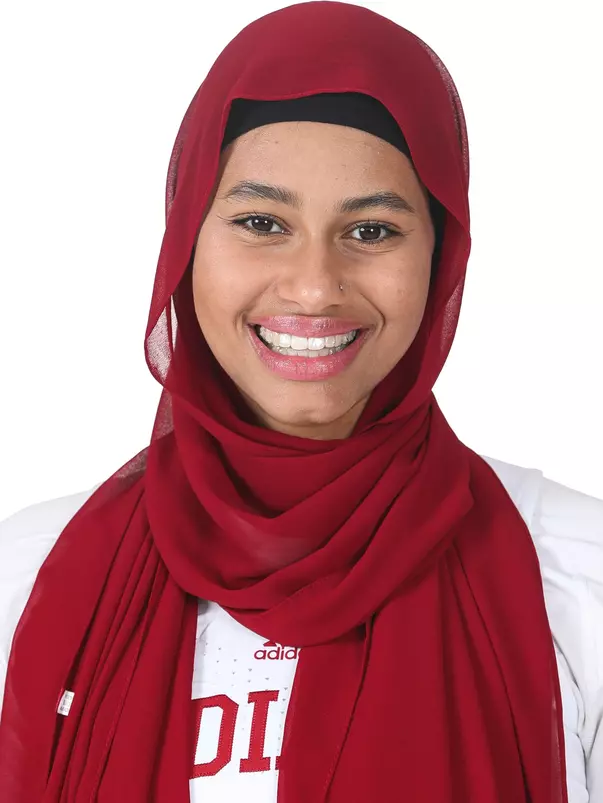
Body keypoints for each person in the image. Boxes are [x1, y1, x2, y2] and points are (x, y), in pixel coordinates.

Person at [0, 2, 601, 801]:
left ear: (440, 252)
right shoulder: (28, 577)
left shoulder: (575, 574)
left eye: (373, 231)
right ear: (184, 242)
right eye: (260, 221)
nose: (315, 286)